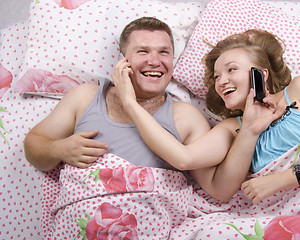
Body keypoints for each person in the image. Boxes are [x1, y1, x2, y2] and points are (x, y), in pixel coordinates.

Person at [114, 29, 300, 204]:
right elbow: (189, 163)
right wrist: (130, 103)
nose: (221, 81)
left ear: (261, 75)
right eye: (216, 77)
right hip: (271, 213)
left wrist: (280, 180)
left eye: (231, 69)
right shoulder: (229, 128)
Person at [23, 17, 226, 174]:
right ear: (123, 61)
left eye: (164, 52)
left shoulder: (187, 116)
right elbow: (34, 144)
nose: (155, 61)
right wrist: (58, 149)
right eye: (142, 51)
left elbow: (215, 186)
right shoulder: (85, 97)